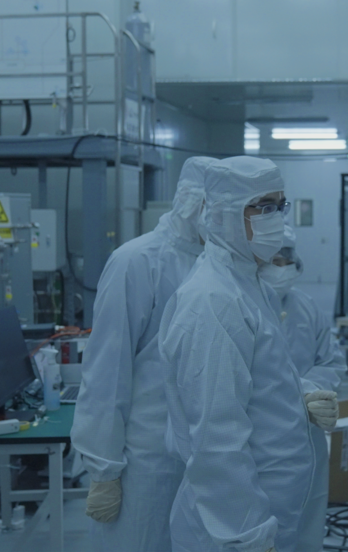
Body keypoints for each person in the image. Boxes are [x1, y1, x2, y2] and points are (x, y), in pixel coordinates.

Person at [159, 156, 337, 552]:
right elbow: (216, 441)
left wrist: (300, 393)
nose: (276, 218)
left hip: (269, 512)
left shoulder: (250, 287)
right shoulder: (213, 301)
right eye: (264, 206)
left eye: (280, 205)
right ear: (225, 214)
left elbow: (257, 383)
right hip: (234, 529)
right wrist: (248, 535)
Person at [71, 156, 216, 552]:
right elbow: (107, 371)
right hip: (145, 464)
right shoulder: (137, 261)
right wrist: (103, 468)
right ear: (191, 202)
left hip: (207, 460)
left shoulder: (220, 266)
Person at [259, 225, 347, 548]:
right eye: (275, 260)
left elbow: (332, 361)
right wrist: (300, 391)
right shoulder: (243, 306)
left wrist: (313, 392)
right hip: (261, 443)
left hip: (307, 439)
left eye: (288, 260)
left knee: (308, 523)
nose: (282, 268)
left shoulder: (307, 307)